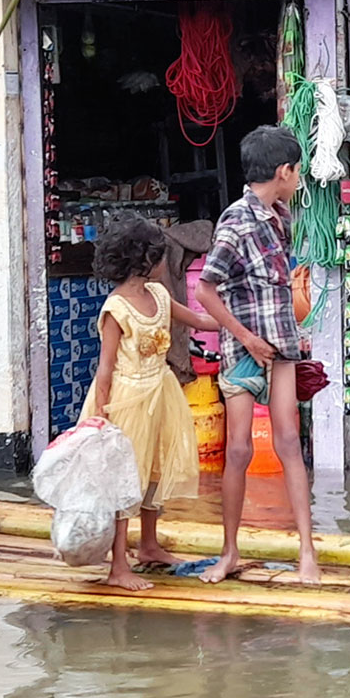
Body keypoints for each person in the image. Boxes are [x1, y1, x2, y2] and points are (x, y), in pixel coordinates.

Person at [194, 126, 320, 584]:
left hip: (281, 346)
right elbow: (205, 290)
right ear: (283, 171)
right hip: (244, 351)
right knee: (239, 449)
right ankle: (229, 552)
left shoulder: (280, 216)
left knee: (288, 441)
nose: (299, 179)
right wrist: (246, 338)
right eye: (297, 171)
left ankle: (307, 551)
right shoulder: (236, 221)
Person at [83, 220, 217, 590]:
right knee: (125, 480)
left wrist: (236, 323)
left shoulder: (159, 294)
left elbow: (197, 319)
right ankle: (117, 566)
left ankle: (149, 545)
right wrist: (101, 417)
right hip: (126, 401)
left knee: (155, 471)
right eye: (159, 256)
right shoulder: (116, 309)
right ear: (143, 260)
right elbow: (105, 368)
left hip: (161, 393)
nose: (164, 263)